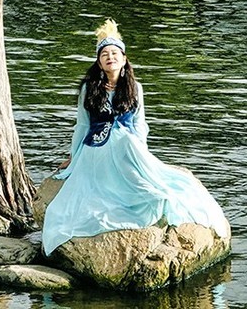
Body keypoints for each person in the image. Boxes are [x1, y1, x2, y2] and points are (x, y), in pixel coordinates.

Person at [41, 20, 230, 256]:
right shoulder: (89, 89)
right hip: (96, 145)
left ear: (124, 59)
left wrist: (143, 153)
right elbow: (83, 124)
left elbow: (140, 123)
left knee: (132, 151)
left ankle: (145, 194)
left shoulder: (135, 87)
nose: (110, 57)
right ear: (99, 63)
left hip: (127, 144)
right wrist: (73, 155)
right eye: (105, 55)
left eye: (115, 53)